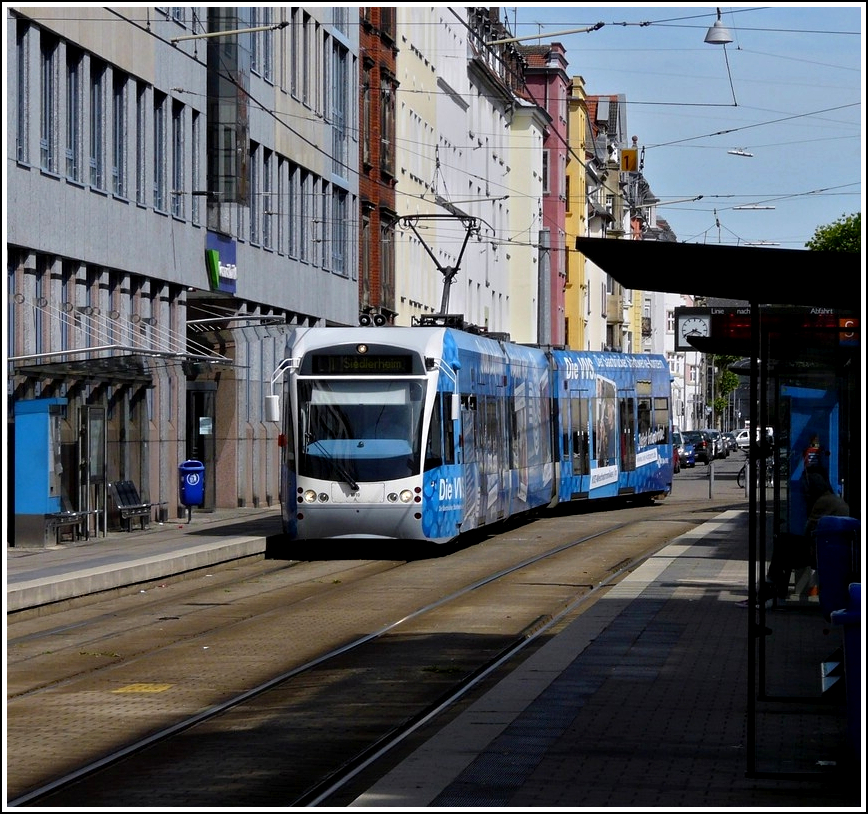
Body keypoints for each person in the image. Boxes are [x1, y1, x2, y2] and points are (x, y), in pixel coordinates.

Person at [765, 471, 849, 603]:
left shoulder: (822, 502)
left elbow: (808, 529)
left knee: (783, 546)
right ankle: (774, 585)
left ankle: (774, 585)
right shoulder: (834, 499)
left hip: (819, 551)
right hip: (831, 549)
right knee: (784, 546)